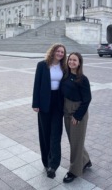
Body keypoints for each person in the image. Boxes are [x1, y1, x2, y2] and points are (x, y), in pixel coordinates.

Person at [32, 43, 67, 179]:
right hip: (44, 102)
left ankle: (54, 165)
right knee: (45, 133)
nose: (60, 54)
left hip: (58, 103)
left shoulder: (64, 67)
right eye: (58, 51)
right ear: (52, 52)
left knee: (56, 134)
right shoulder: (42, 65)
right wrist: (35, 103)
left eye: (62, 52)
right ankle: (46, 161)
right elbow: (37, 84)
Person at [60, 52, 92, 183]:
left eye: (75, 60)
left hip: (78, 113)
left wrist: (78, 116)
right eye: (70, 60)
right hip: (66, 111)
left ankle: (74, 170)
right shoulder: (65, 75)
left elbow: (87, 99)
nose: (71, 62)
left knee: (76, 142)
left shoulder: (82, 79)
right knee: (74, 141)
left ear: (79, 63)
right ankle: (86, 160)